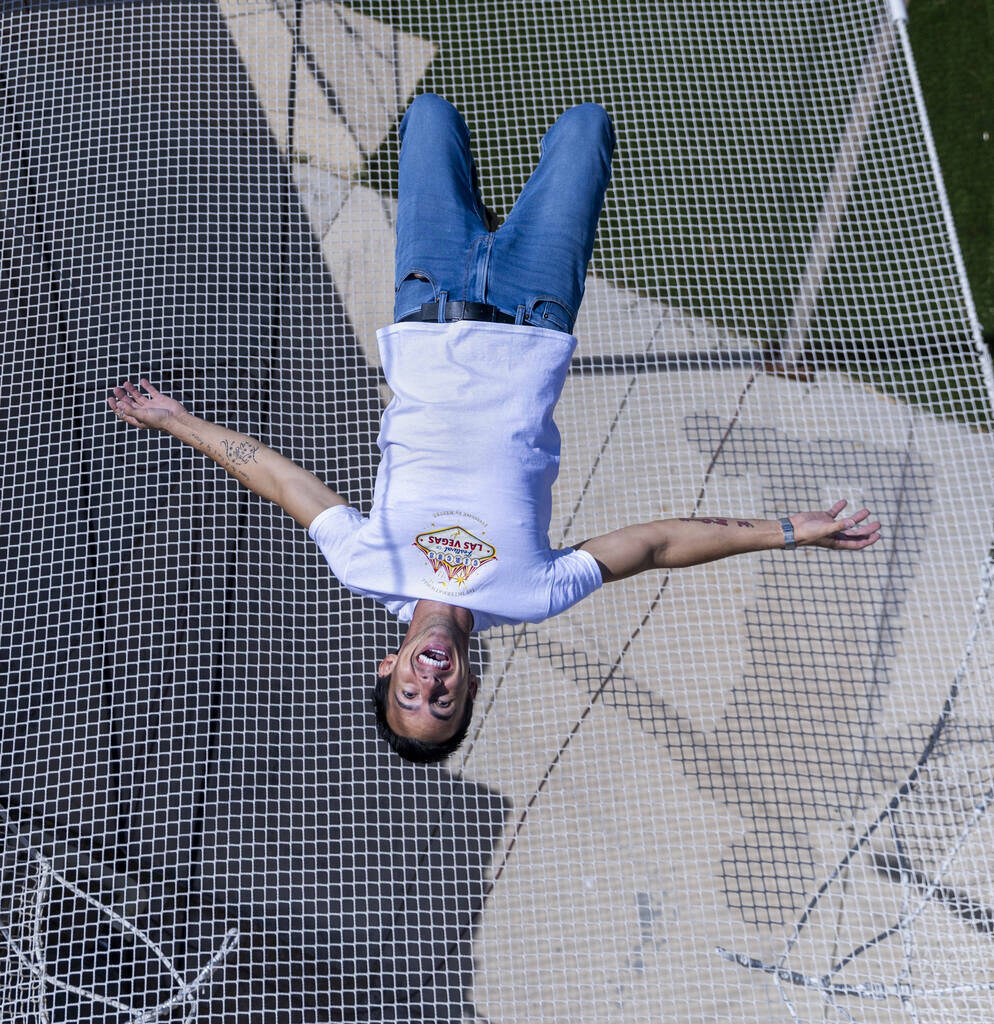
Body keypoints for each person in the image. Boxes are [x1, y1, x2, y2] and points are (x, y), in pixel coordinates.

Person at [108, 94, 881, 765]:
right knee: (585, 129)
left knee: (430, 117)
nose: (431, 682)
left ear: (388, 667)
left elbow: (279, 480)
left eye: (410, 691)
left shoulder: (367, 567)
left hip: (429, 293)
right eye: (443, 702)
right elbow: (655, 546)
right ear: (471, 685)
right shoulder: (533, 594)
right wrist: (784, 530)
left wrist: (180, 422)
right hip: (536, 309)